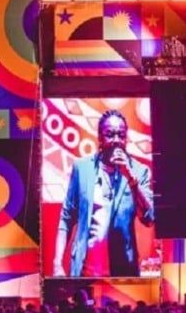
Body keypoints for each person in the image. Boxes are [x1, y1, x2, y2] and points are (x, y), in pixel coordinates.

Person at [53, 109, 154, 277]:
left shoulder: (138, 171)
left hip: (122, 274)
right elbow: (66, 218)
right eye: (110, 135)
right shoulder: (82, 168)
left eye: (121, 135)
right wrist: (57, 265)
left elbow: (149, 219)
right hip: (84, 272)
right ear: (100, 137)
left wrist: (131, 179)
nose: (116, 140)